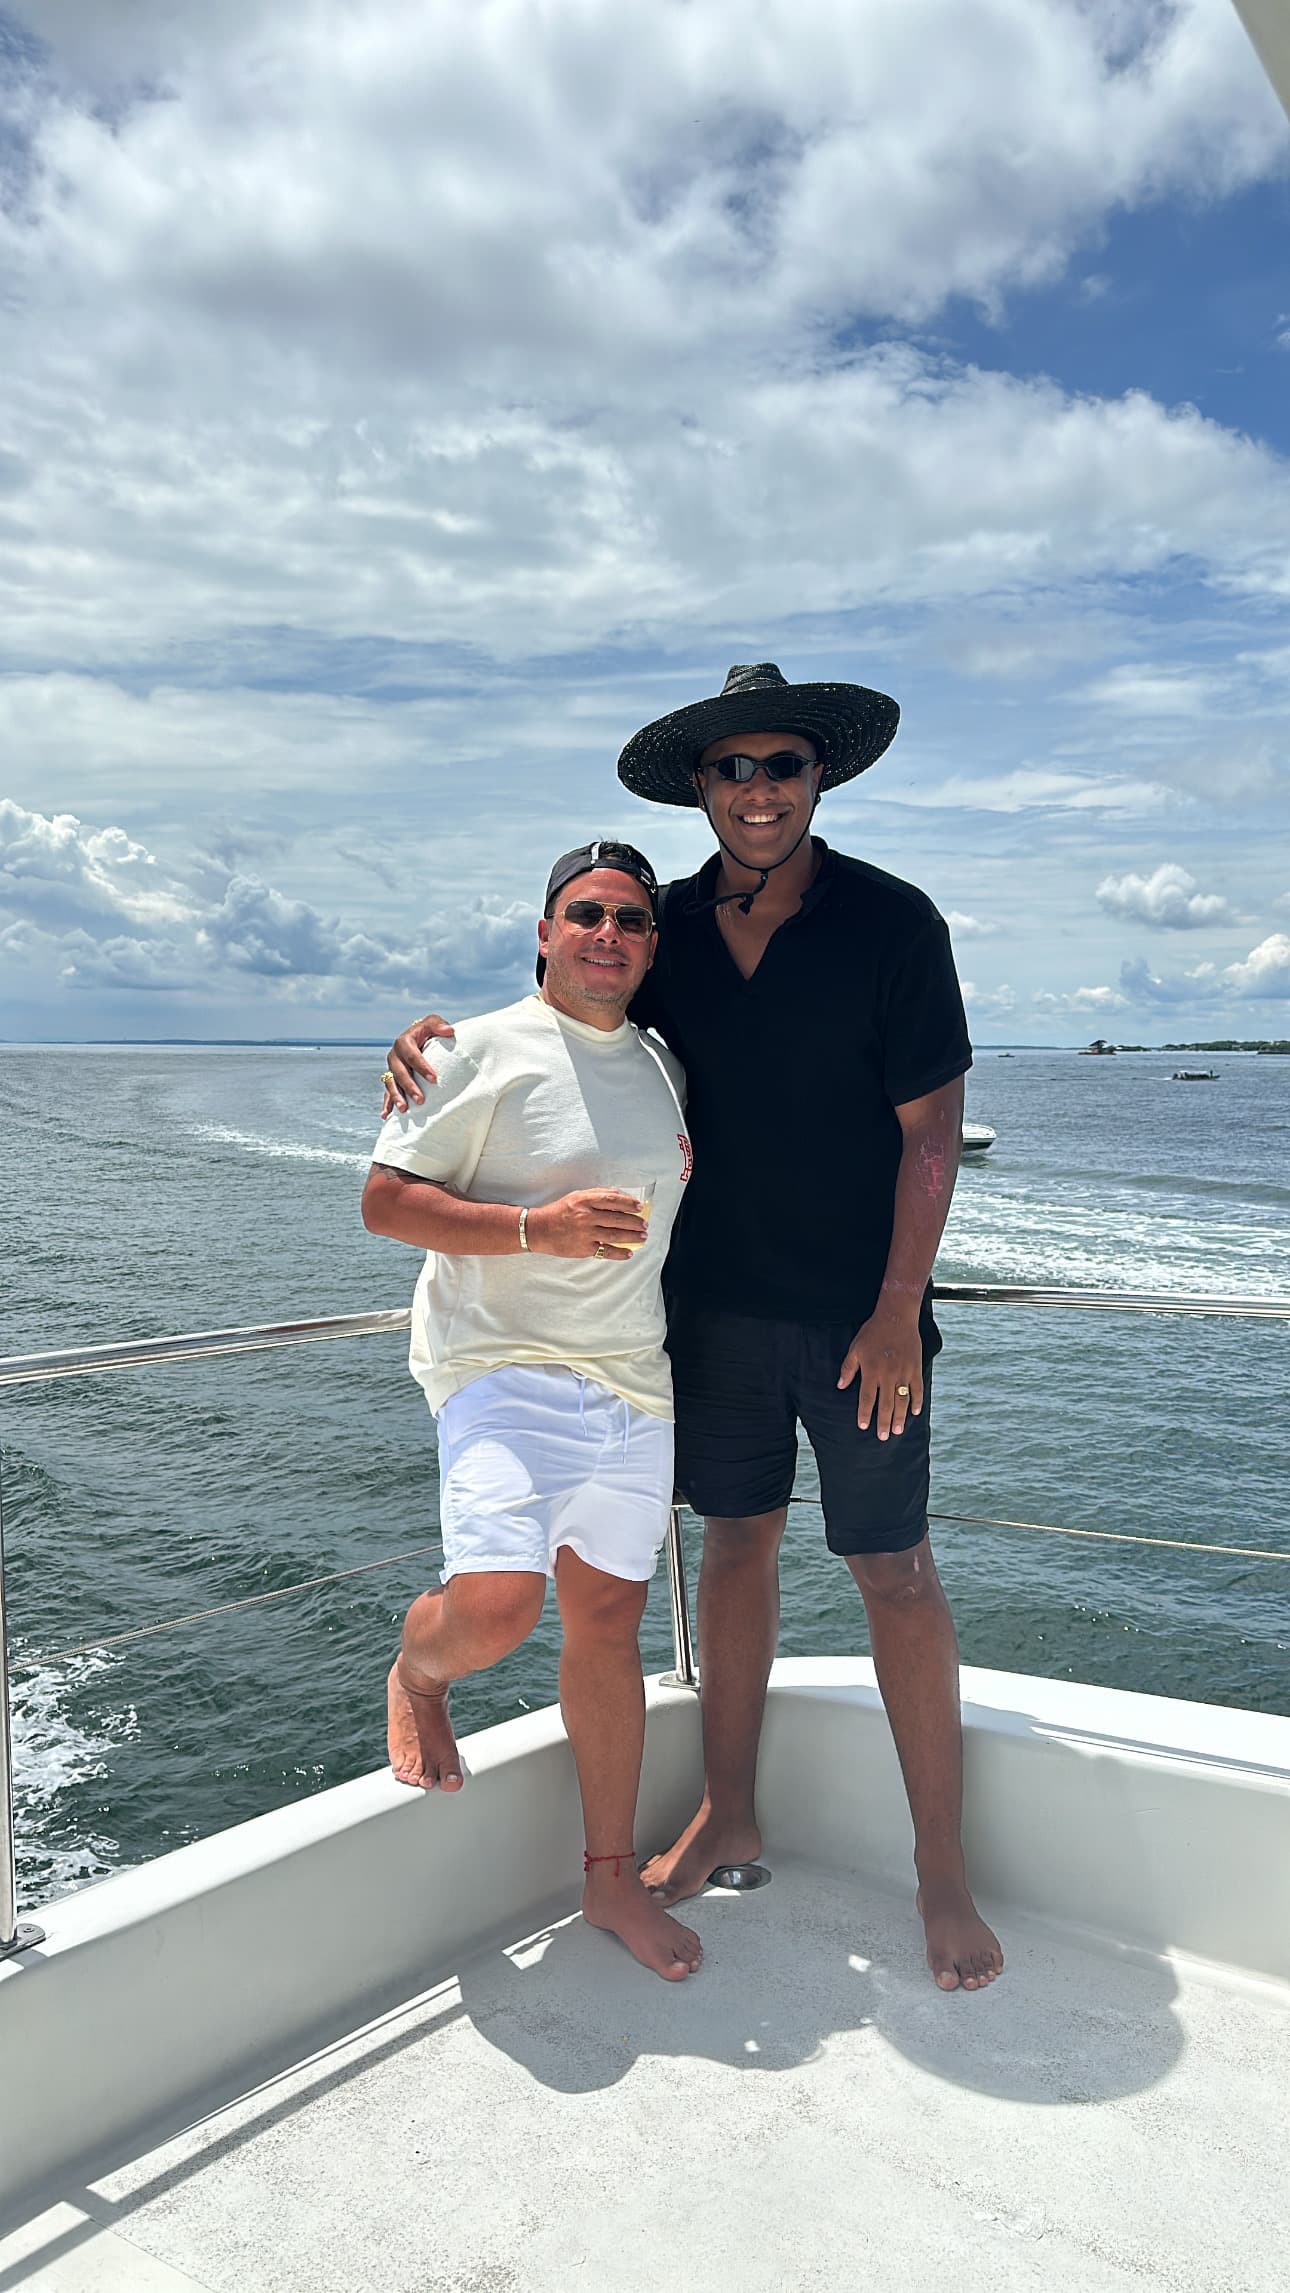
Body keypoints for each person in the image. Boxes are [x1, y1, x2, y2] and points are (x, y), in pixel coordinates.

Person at [382, 664, 1004, 1993]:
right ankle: (728, 1804)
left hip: (858, 1320)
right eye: (733, 768)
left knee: (893, 1570)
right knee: (734, 1551)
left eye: (782, 764)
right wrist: (419, 1044)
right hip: (704, 1317)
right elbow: (565, 1019)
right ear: (701, 787)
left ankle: (937, 1866)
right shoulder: (652, 927)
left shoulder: (892, 922)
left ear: (817, 776)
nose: (759, 789)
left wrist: (900, 1307)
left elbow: (931, 1132)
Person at [364, 839, 702, 1982]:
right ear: (547, 933)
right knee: (501, 1609)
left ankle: (609, 1876)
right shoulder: (472, 1048)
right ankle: (419, 1668)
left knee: (608, 1631)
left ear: (653, 946)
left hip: (633, 1382)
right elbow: (384, 1201)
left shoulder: (664, 1063)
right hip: (500, 1367)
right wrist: (534, 1228)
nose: (610, 933)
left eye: (633, 921)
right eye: (587, 913)